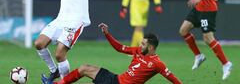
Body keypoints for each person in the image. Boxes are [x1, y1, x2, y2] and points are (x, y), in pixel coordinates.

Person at [25, 0, 96, 82]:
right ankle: (54, 71)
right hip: (60, 20)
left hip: (75, 22)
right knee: (39, 43)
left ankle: (64, 81)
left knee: (59, 54)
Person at [42, 23, 182, 84]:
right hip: (116, 79)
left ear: (151, 48)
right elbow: (119, 48)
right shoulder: (138, 51)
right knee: (84, 68)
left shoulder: (157, 64)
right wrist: (107, 34)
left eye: (144, 44)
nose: (140, 45)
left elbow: (174, 79)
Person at [179, 0, 232, 80]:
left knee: (208, 39)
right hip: (198, 8)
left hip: (207, 10)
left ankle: (226, 64)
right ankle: (198, 56)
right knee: (183, 30)